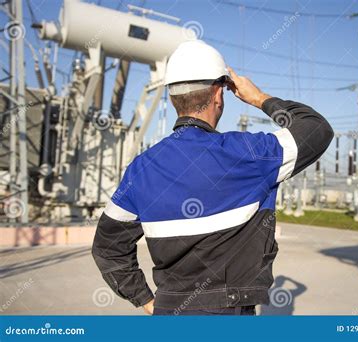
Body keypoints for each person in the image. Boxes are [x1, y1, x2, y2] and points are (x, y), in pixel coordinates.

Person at [92, 40, 334, 315]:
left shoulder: (141, 169)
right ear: (219, 95)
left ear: (173, 98)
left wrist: (146, 299)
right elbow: (317, 129)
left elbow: (107, 248)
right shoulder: (249, 155)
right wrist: (258, 97)